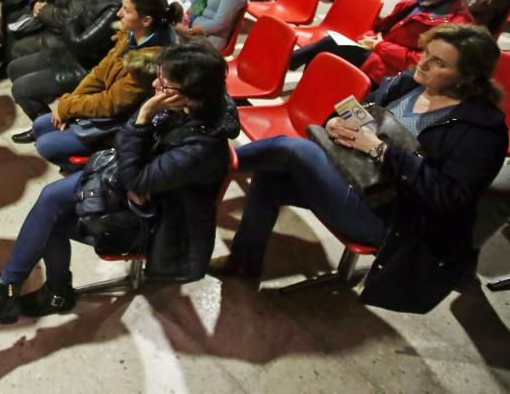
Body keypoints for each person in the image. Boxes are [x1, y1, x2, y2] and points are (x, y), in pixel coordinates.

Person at [217, 24, 507, 314]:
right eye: (426, 53)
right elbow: (360, 113)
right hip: (354, 177)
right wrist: (334, 123)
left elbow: (449, 197)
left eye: (439, 63)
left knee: (293, 149)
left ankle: (212, 167)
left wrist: (379, 150)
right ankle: (244, 261)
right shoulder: (408, 84)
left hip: (392, 218)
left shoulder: (481, 130)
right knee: (271, 179)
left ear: (468, 77)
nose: (424, 63)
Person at [0, 42, 239, 329]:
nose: (154, 84)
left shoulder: (201, 145)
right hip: (134, 186)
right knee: (51, 200)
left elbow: (135, 171)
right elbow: (126, 143)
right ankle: (12, 292)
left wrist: (142, 124)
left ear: (184, 94)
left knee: (51, 216)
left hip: (155, 221)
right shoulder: (181, 107)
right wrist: (138, 145)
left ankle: (34, 293)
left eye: (162, 81)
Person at [25, 0, 180, 167]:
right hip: (102, 108)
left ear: (146, 20)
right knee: (41, 125)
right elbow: (99, 73)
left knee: (45, 145)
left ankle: (94, 165)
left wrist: (67, 106)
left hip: (117, 126)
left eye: (126, 10)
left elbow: (110, 104)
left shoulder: (150, 62)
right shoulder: (131, 35)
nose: (119, 13)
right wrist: (71, 101)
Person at [290, 0, 474, 84]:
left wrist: (380, 46)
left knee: (331, 46)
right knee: (329, 49)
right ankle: (300, 79)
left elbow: (424, 62)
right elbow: (382, 28)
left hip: (397, 74)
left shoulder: (457, 23)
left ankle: (286, 63)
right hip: (377, 55)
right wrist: (370, 38)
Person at [9, 0, 130, 122]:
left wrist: (70, 20)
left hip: (84, 66)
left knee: (20, 89)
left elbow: (80, 41)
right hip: (69, 51)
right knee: (15, 68)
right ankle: (44, 121)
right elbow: (71, 20)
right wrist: (69, 20)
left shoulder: (114, 5)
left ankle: (46, 126)